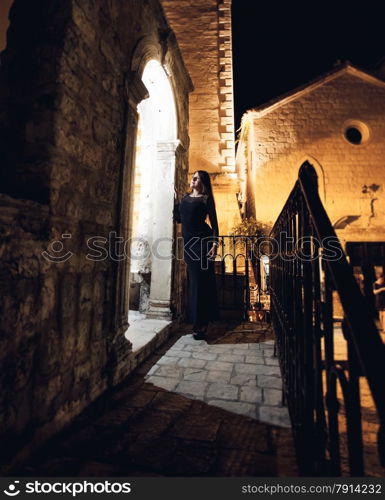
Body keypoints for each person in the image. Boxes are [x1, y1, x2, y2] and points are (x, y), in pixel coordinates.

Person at [173, 170, 220, 340]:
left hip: (203, 243)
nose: (192, 179)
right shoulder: (185, 198)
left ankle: (200, 324)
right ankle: (198, 320)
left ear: (203, 183)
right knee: (195, 282)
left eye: (197, 178)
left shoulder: (206, 199)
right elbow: (179, 219)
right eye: (193, 176)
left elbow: (214, 224)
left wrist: (215, 244)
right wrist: (176, 201)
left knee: (201, 282)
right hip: (189, 245)